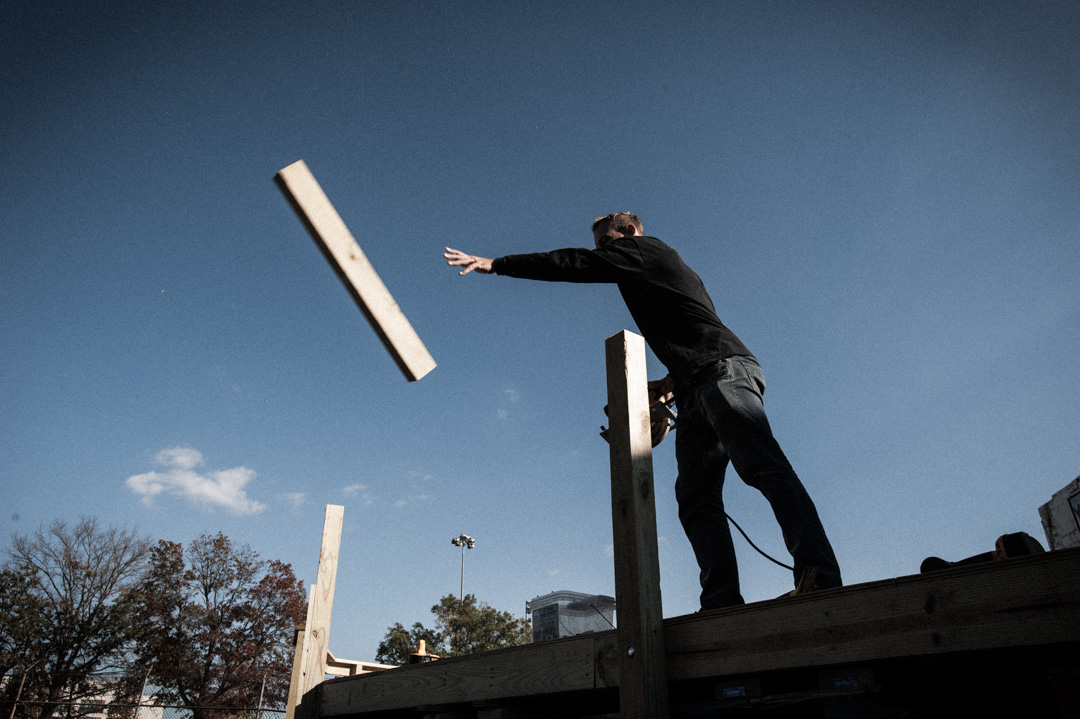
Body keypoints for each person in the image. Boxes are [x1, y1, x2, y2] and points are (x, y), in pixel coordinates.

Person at [444, 212, 841, 609]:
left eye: (606, 243)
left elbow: (573, 263)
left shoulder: (646, 250)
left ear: (630, 233)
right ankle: (721, 602)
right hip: (694, 383)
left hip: (723, 373)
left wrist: (497, 264)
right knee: (695, 497)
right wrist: (668, 383)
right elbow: (692, 328)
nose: (602, 253)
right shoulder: (654, 272)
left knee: (762, 465)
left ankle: (820, 576)